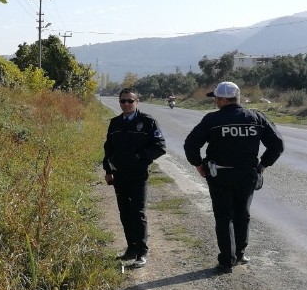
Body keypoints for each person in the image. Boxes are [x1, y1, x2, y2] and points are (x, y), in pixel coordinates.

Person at [183, 81, 284, 274]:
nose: (215, 102)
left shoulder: (212, 120)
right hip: (247, 175)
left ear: (222, 99)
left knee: (224, 217)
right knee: (242, 214)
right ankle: (240, 253)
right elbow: (277, 145)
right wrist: (262, 165)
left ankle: (226, 261)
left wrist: (199, 165)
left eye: (216, 99)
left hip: (220, 174)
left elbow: (191, 144)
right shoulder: (256, 117)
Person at [103, 89, 167, 268]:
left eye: (130, 101)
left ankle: (141, 252)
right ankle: (130, 249)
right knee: (125, 213)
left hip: (138, 175)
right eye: (123, 101)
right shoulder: (115, 123)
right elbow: (109, 149)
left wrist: (140, 158)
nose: (126, 104)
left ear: (137, 102)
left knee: (138, 213)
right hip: (120, 175)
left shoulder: (148, 122)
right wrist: (108, 170)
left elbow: (160, 147)